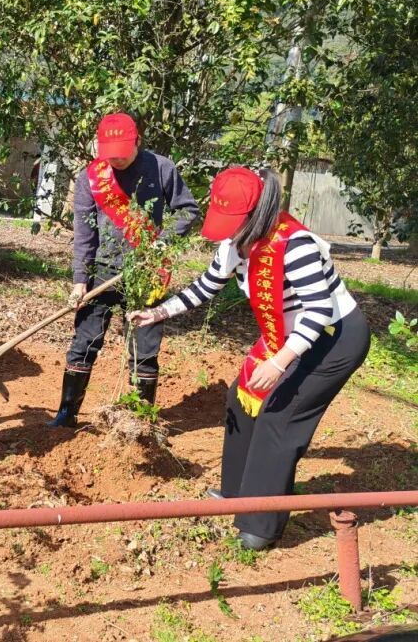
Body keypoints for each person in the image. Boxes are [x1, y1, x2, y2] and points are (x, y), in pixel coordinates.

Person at [127, 167, 369, 550]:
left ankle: (261, 524)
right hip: (287, 336)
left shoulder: (296, 244)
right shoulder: (236, 241)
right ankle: (237, 493)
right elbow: (206, 286)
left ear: (257, 212)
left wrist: (278, 364)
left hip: (333, 339)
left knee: (279, 415)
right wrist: (158, 312)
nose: (228, 231)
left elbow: (319, 310)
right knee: (241, 401)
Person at [50, 112, 200, 427]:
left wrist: (164, 242)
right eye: (110, 154)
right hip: (102, 270)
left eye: (122, 153)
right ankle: (67, 412)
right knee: (85, 340)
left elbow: (188, 210)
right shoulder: (90, 177)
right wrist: (80, 281)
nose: (115, 161)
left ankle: (141, 418)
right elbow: (84, 234)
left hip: (147, 271)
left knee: (144, 345)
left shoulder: (162, 168)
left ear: (138, 142)